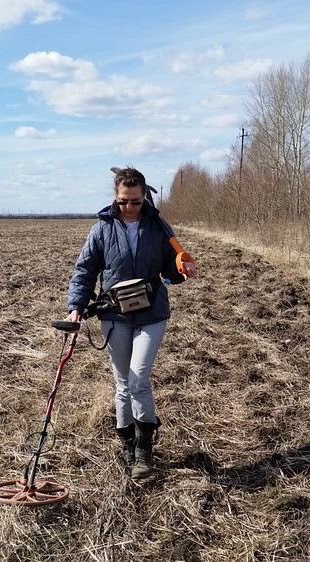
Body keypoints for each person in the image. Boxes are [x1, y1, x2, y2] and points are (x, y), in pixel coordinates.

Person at [65, 166, 198, 479]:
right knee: (123, 383)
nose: (129, 207)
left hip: (151, 313)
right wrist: (76, 306)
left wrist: (183, 271)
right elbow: (85, 270)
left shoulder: (158, 227)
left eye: (135, 201)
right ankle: (126, 440)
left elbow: (170, 271)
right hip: (114, 314)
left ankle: (144, 448)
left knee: (138, 379)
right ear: (116, 197)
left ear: (145, 197)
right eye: (124, 201)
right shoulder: (102, 229)